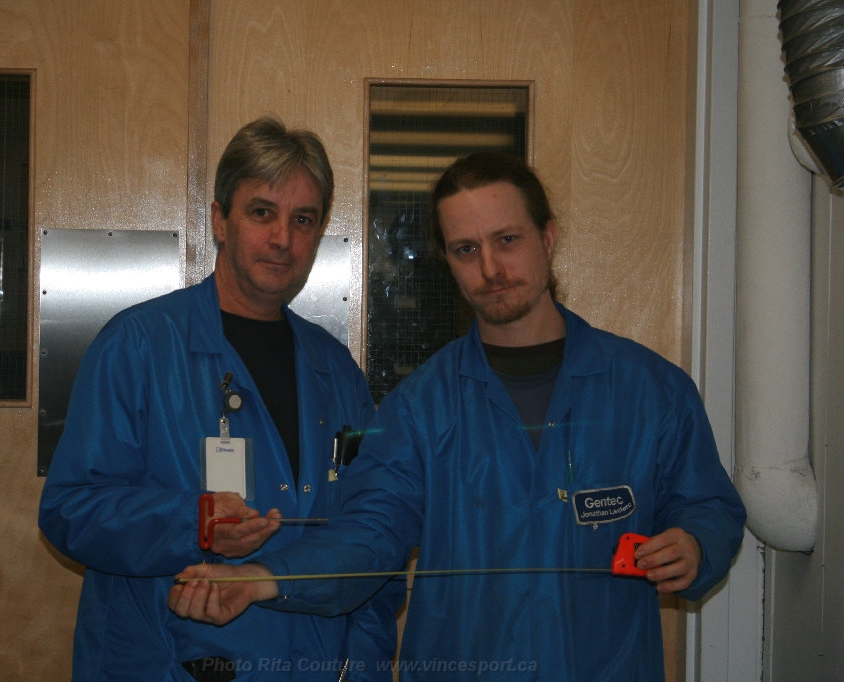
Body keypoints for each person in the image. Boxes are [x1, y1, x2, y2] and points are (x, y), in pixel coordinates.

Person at [168, 152, 747, 681]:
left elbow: (708, 506)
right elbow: (368, 536)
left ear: (547, 238)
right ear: (447, 261)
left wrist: (695, 544)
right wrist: (262, 578)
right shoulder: (420, 408)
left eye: (507, 240)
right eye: (466, 250)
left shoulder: (652, 391)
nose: (490, 268)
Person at [39, 117, 403, 682]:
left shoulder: (337, 373)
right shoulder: (138, 346)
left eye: (302, 219)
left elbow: (375, 530)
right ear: (219, 221)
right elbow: (71, 510)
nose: (282, 238)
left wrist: (363, 669)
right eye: (262, 212)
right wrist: (194, 524)